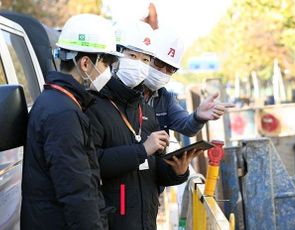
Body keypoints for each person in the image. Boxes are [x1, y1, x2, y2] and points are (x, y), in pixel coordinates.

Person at [85, 20, 201, 230]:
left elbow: (152, 170)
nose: (139, 63)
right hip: (112, 220)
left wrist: (178, 171)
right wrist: (142, 150)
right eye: (132, 56)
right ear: (114, 58)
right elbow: (91, 164)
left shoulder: (144, 109)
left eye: (145, 58)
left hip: (146, 221)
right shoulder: (93, 105)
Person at [21, 14, 122, 230]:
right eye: (105, 63)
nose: (108, 72)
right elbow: (77, 193)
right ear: (85, 63)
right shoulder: (63, 113)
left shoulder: (59, 102)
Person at [143, 28, 234, 136]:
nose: (163, 71)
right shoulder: (125, 92)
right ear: (145, 58)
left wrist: (198, 117)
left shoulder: (166, 98)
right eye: (159, 63)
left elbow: (186, 125)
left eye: (170, 68)